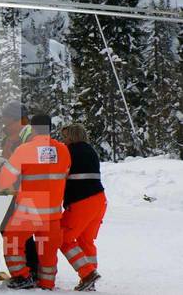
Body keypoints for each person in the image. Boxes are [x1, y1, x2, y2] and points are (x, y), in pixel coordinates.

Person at [0, 114, 71, 290]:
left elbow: (4, 181)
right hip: (53, 213)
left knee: (11, 240)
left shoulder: (25, 149)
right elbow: (64, 173)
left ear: (33, 128)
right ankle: (47, 284)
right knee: (48, 252)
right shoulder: (63, 150)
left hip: (29, 210)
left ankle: (22, 277)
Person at [60, 124, 107, 291]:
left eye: (65, 137)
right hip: (99, 200)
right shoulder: (90, 151)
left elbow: (60, 175)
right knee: (85, 240)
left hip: (81, 201)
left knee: (63, 237)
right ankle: (89, 281)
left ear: (72, 137)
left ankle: (87, 273)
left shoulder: (69, 151)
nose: (63, 141)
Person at [0, 102, 39, 280]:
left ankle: (28, 271)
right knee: (14, 230)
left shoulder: (28, 135)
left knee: (9, 229)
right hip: (23, 192)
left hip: (31, 192)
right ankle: (31, 268)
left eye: (6, 120)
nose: (4, 124)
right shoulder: (13, 137)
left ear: (16, 120)